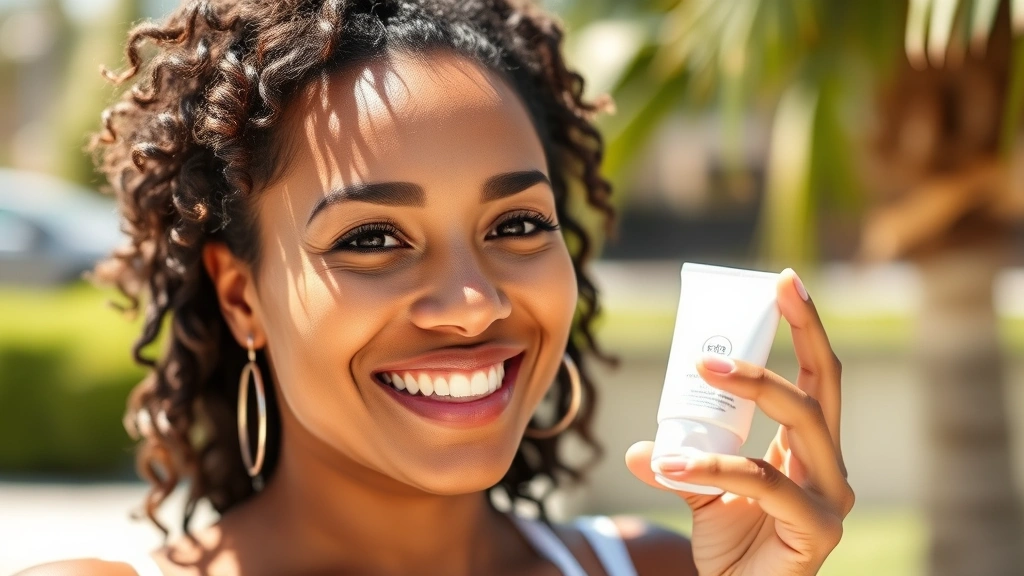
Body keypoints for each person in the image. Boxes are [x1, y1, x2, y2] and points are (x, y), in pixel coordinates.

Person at [19, 0, 853, 574]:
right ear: (241, 297)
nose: (476, 303)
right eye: (373, 239)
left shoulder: (662, 569)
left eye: (517, 225)